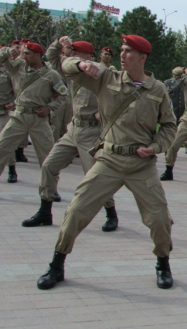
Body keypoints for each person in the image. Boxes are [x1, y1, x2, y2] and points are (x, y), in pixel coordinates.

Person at [36, 34, 177, 290]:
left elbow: (169, 127)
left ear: (142, 58)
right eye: (122, 50)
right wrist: (80, 64)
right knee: (77, 210)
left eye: (129, 52)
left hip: (140, 164)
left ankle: (163, 264)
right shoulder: (105, 78)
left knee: (159, 219)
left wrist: (155, 147)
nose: (123, 55)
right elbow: (64, 66)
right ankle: (57, 264)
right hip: (109, 160)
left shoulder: (157, 89)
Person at [22, 37, 119, 230]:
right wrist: (59, 43)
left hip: (92, 131)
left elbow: (119, 93)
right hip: (73, 129)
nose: (72, 55)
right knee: (49, 166)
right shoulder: (71, 69)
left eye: (76, 52)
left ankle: (111, 213)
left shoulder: (102, 71)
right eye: (71, 52)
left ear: (90, 55)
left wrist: (108, 112)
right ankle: (45, 211)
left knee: (95, 176)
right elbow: (51, 57)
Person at [0, 43, 68, 183]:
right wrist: (8, 51)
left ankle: (50, 189)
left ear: (37, 55)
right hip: (18, 117)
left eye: (27, 53)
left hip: (39, 119)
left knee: (48, 157)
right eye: (23, 53)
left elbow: (63, 96)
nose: (23, 56)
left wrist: (49, 108)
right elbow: (2, 59)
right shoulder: (18, 67)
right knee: (2, 149)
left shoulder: (51, 74)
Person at [0, 48, 18, 182]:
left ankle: (12, 169)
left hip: (3, 113)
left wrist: (13, 103)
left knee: (6, 143)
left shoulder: (9, 72)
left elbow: (18, 90)